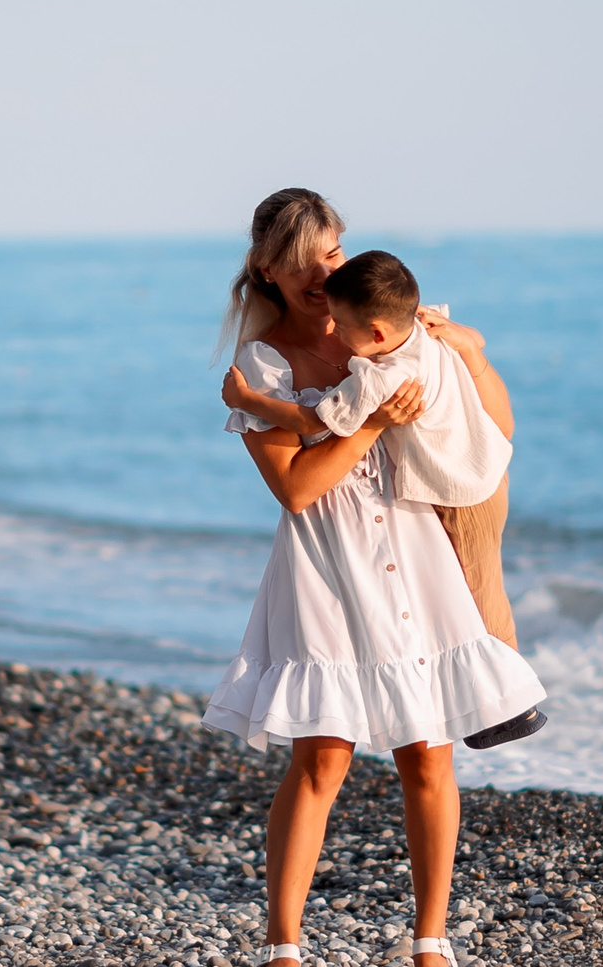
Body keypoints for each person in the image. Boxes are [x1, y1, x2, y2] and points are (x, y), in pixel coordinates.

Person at [206, 189, 545, 967]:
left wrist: (466, 353)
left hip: (415, 554)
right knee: (322, 755)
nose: (323, 271)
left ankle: (432, 939)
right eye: (304, 259)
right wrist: (363, 426)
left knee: (428, 752)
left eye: (330, 253)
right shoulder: (259, 367)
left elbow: (490, 422)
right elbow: (296, 488)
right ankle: (283, 948)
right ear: (266, 269)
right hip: (325, 567)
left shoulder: (389, 330)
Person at [224, 249, 546, 748]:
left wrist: (249, 402)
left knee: (479, 589)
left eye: (332, 253)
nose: (334, 326)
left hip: (461, 490)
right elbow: (295, 489)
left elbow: (316, 421)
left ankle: (507, 706)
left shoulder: (381, 375)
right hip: (477, 473)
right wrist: (469, 344)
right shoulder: (419, 326)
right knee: (478, 586)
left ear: (374, 333)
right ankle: (498, 698)